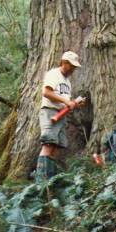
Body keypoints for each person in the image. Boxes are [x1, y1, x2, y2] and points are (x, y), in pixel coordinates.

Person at [36, 50, 85, 181]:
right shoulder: (54, 74)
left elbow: (65, 101)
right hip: (50, 112)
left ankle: (50, 181)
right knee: (48, 145)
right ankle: (41, 184)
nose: (73, 69)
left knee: (56, 147)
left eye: (75, 66)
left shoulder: (67, 82)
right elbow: (46, 92)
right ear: (64, 62)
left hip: (61, 115)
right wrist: (66, 101)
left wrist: (74, 103)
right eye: (72, 66)